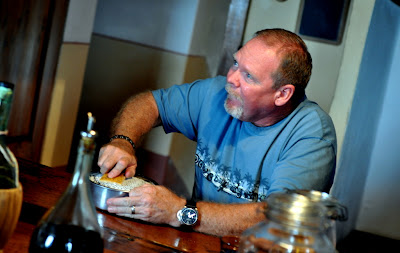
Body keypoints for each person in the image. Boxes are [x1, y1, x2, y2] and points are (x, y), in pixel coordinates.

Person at [97, 28, 337, 236]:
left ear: (282, 94)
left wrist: (178, 212)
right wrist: (123, 141)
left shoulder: (312, 135)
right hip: (199, 241)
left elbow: (278, 219)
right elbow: (149, 104)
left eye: (248, 76)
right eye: (236, 63)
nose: (231, 79)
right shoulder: (216, 94)